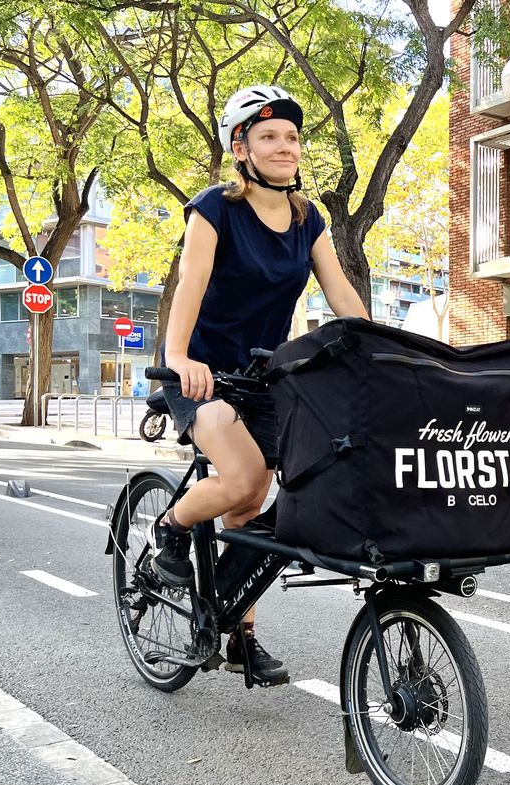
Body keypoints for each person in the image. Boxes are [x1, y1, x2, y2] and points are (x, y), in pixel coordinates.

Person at [148, 85, 369, 682]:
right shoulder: (213, 208)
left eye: (292, 138)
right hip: (202, 371)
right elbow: (190, 284)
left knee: (257, 503)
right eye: (269, 136)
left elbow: (341, 291)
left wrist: (376, 347)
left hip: (265, 375)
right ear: (241, 148)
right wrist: (177, 357)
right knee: (244, 478)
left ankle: (239, 630)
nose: (285, 147)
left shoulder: (307, 217)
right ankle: (169, 530)